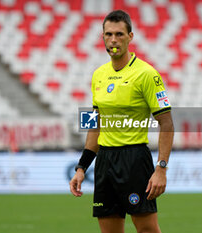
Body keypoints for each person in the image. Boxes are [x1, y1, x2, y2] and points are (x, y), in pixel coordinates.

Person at [69, 10, 174, 233]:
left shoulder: (147, 74)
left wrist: (161, 168)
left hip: (134, 159)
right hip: (105, 161)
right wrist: (81, 167)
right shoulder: (98, 75)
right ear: (103, 37)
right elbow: (95, 124)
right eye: (108, 34)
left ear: (130, 36)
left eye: (119, 34)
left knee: (147, 230)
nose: (114, 40)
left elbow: (167, 123)